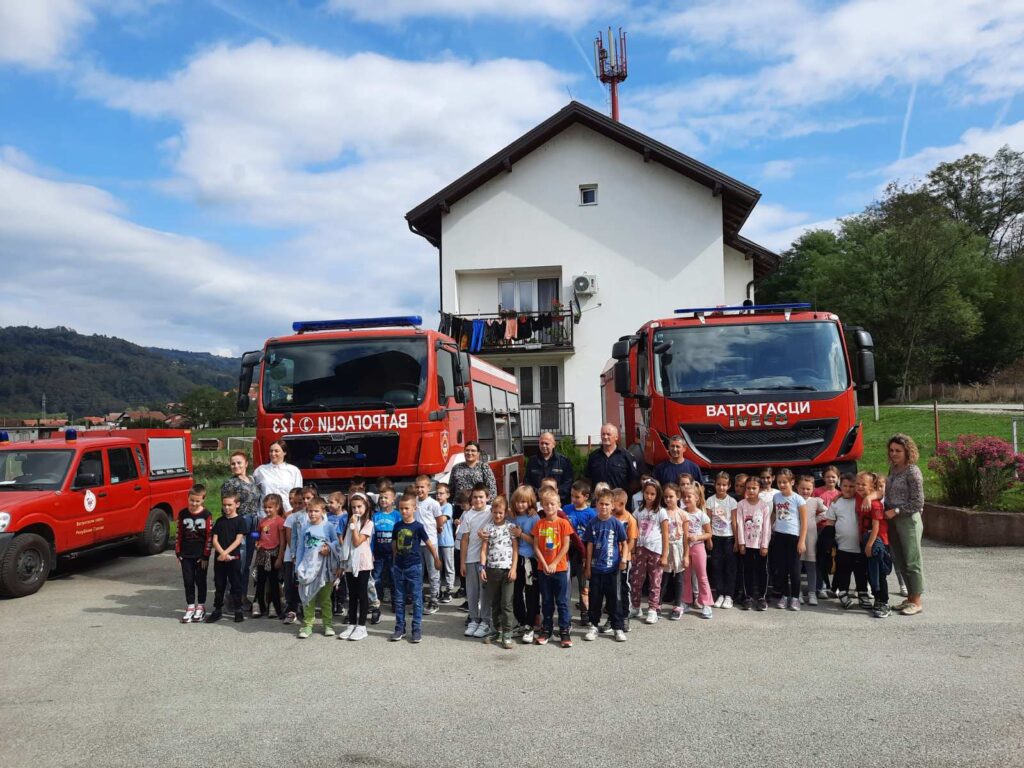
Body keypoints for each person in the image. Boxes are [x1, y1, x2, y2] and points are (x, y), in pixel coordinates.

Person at [391, 493, 440, 643]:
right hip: (399, 567)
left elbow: (429, 543)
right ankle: (399, 628)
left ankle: (416, 629)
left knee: (417, 599)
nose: (404, 511)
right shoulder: (397, 525)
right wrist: (394, 562)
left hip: (414, 567)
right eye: (401, 509)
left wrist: (437, 559)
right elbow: (394, 544)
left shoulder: (418, 527)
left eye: (407, 508)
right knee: (399, 600)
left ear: (414, 508)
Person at [885, 433, 925, 616]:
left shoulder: (913, 471)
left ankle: (916, 601)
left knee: (912, 561)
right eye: (892, 450)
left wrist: (897, 511)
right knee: (900, 560)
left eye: (898, 451)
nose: (894, 454)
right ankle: (909, 598)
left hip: (908, 520)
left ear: (907, 451)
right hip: (892, 520)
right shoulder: (893, 469)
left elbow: (918, 502)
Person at [582, 489, 628, 642]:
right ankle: (593, 625)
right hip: (596, 570)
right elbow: (589, 545)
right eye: (601, 504)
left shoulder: (616, 523)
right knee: (595, 598)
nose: (604, 507)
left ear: (613, 506)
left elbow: (624, 543)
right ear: (596, 504)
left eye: (607, 504)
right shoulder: (592, 523)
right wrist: (588, 566)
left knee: (615, 599)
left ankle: (618, 627)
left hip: (612, 569)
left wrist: (624, 559)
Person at [533, 487, 575, 647]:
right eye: (546, 504)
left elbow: (565, 546)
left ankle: (564, 631)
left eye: (552, 504)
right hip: (543, 569)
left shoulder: (563, 523)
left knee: (562, 601)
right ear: (542, 506)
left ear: (558, 505)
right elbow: (536, 547)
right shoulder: (539, 524)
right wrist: (544, 564)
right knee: (547, 601)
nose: (549, 507)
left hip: (560, 569)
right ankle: (547, 629)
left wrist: (554, 563)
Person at [296, 498, 341, 639]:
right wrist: (298, 567)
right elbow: (300, 548)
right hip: (308, 567)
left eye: (316, 511)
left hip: (325, 569)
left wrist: (329, 547)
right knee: (308, 597)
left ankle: (328, 625)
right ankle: (308, 625)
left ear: (323, 511)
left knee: (325, 599)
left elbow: (336, 543)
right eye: (310, 511)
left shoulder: (328, 527)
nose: (313, 514)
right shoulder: (305, 528)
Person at [221, 451, 261, 610]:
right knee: (239, 561)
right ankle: (234, 597)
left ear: (246, 463)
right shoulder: (229, 484)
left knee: (248, 561)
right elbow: (226, 508)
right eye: (233, 463)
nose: (236, 466)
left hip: (254, 523)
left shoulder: (252, 480)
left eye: (239, 463)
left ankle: (243, 595)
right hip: (240, 523)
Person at [479, 496, 519, 649]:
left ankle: (507, 633)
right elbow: (484, 550)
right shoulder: (488, 529)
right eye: (495, 512)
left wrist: (514, 568)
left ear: (506, 512)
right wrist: (482, 568)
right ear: (492, 512)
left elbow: (515, 550)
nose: (498, 515)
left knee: (506, 603)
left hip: (507, 571)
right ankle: (497, 630)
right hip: (491, 570)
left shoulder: (511, 528)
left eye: (501, 513)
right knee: (494, 602)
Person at [825, 474, 869, 609]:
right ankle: (843, 592)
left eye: (852, 486)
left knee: (861, 572)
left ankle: (862, 593)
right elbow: (830, 523)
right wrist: (828, 541)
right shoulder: (836, 502)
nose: (848, 489)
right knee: (843, 571)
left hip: (860, 545)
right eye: (845, 486)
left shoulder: (861, 500)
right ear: (840, 486)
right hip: (842, 546)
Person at [629, 478, 669, 625]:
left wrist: (665, 555)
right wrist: (632, 551)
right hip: (640, 549)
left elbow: (666, 535)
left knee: (655, 581)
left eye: (653, 494)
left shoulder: (662, 512)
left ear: (657, 495)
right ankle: (635, 606)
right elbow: (633, 531)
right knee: (636, 579)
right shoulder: (638, 511)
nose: (649, 496)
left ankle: (653, 609)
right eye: (647, 493)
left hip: (656, 550)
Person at [206, 491, 247, 623]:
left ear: (237, 504)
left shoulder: (240, 521)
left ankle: (238, 610)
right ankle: (217, 609)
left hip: (233, 558)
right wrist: (221, 553)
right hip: (220, 560)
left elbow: (238, 540)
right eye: (224, 505)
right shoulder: (220, 521)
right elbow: (215, 540)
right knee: (219, 584)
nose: (227, 508)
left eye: (230, 505)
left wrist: (225, 553)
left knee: (236, 584)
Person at [338, 492, 374, 641]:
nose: (356, 510)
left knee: (361, 594)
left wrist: (353, 527)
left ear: (366, 506)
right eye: (353, 507)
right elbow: (345, 543)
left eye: (359, 507)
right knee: (352, 595)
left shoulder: (368, 523)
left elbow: (358, 541)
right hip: (350, 563)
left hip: (363, 563)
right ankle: (352, 624)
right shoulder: (350, 521)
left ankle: (361, 626)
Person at [771, 469, 808, 611]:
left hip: (794, 537)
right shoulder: (776, 497)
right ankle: (785, 595)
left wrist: (802, 541)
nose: (782, 485)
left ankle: (795, 598)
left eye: (785, 482)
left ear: (792, 482)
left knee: (794, 570)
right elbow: (774, 514)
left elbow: (804, 522)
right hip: (779, 536)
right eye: (779, 482)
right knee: (782, 569)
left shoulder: (798, 499)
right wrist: (769, 528)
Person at [459, 484, 493, 639]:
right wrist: (462, 562)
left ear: (487, 497)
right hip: (471, 559)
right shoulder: (467, 515)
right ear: (471, 499)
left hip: (486, 560)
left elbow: (507, 511)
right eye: (475, 497)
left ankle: (485, 622)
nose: (478, 500)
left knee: (485, 592)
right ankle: (474, 619)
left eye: (481, 497)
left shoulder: (492, 511)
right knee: (472, 592)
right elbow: (464, 540)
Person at [857, 472, 892, 619]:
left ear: (872, 486)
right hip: (866, 541)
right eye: (858, 484)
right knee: (871, 573)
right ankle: (877, 599)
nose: (859, 487)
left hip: (878, 542)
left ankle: (883, 602)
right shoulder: (860, 498)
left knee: (880, 574)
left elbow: (876, 527)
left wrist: (870, 545)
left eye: (863, 484)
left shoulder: (875, 504)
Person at [175, 484, 212, 623]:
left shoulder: (207, 515)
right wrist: (178, 552)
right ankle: (190, 606)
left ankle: (201, 606)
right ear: (188, 498)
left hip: (200, 555)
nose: (194, 503)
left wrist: (205, 555)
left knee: (200, 580)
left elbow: (209, 536)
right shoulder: (183, 514)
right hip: (186, 554)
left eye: (197, 501)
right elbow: (179, 533)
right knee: (188, 580)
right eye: (192, 500)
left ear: (203, 499)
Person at [509, 485, 540, 643]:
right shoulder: (512, 516)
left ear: (530, 502)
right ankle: (521, 622)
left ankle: (530, 624)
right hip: (515, 560)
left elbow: (536, 541)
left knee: (531, 593)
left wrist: (521, 534)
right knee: (515, 592)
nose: (520, 505)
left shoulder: (534, 518)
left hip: (530, 560)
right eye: (517, 502)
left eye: (523, 502)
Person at [736, 477, 771, 611]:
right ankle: (748, 597)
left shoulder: (764, 506)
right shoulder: (741, 505)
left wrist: (765, 545)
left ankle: (762, 597)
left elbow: (766, 527)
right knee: (747, 571)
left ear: (760, 489)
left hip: (760, 545)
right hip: (746, 545)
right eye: (748, 488)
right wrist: (741, 543)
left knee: (762, 571)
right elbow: (739, 524)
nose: (751, 490)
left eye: (754, 488)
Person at [563, 480, 595, 626]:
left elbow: (591, 538)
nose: (574, 500)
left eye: (577, 497)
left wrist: (587, 557)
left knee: (583, 586)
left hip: (582, 551)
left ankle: (585, 612)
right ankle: (566, 613)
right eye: (572, 496)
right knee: (566, 584)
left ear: (586, 497)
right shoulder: (566, 509)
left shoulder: (591, 514)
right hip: (567, 550)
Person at [585, 424, 638, 506]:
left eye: (608, 434)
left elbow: (634, 480)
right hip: (599, 504)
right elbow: (588, 479)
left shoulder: (626, 456)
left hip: (619, 504)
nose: (605, 437)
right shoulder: (593, 457)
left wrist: (623, 495)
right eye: (603, 434)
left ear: (616, 437)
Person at [706, 471, 738, 609]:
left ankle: (729, 596)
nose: (721, 487)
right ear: (715, 484)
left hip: (729, 538)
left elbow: (734, 522)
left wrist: (737, 540)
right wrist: (709, 538)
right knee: (717, 567)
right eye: (719, 484)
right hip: (715, 538)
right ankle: (720, 594)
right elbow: (708, 521)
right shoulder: (710, 501)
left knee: (729, 568)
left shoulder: (732, 501)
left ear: (729, 485)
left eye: (724, 485)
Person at [413, 475, 444, 614]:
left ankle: (434, 600)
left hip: (430, 542)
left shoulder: (433, 503)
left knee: (433, 572)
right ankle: (419, 602)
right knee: (417, 573)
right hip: (416, 543)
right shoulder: (414, 502)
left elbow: (439, 521)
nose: (419, 490)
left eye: (422, 487)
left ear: (428, 488)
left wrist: (437, 531)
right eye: (417, 487)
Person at [795, 476, 827, 607]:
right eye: (802, 488)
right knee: (797, 565)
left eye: (808, 488)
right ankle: (798, 593)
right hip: (796, 535)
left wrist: (816, 520)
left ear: (813, 489)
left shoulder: (816, 501)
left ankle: (812, 593)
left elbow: (827, 511)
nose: (805, 491)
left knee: (811, 565)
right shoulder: (794, 500)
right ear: (797, 488)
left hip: (811, 536)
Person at [609, 489, 638, 633]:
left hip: (623, 560)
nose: (610, 507)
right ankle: (611, 618)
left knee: (623, 588)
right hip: (609, 558)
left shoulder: (630, 519)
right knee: (611, 590)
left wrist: (624, 556)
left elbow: (631, 542)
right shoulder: (610, 517)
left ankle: (625, 616)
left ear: (621, 503)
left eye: (612, 504)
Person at [681, 486, 713, 618]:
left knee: (702, 576)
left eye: (690, 496)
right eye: (685, 497)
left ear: (697, 498)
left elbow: (709, 533)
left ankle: (706, 604)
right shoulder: (681, 513)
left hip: (698, 547)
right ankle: (686, 601)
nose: (687, 499)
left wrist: (698, 537)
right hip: (684, 547)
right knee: (685, 577)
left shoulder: (702, 515)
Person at [253, 493, 285, 619]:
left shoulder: (280, 522)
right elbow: (260, 536)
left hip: (273, 555)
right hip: (261, 554)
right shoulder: (262, 521)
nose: (267, 510)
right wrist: (257, 544)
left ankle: (277, 608)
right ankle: (261, 606)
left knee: (273, 583)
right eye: (265, 507)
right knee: (260, 582)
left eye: (270, 507)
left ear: (277, 507)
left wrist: (279, 558)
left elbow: (282, 541)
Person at [370, 487, 399, 623]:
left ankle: (396, 602)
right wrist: (370, 552)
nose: (383, 500)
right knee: (376, 578)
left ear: (393, 499)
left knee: (394, 577)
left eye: (386, 497)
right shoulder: (375, 516)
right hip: (378, 553)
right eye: (381, 497)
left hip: (393, 552)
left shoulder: (397, 515)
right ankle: (376, 602)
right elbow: (371, 536)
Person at [280, 488, 308, 625]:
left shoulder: (312, 516)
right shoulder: (291, 517)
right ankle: (291, 609)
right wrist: (295, 555)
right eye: (294, 503)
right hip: (291, 557)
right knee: (290, 583)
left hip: (307, 556)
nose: (296, 506)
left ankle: (305, 608)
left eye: (300, 503)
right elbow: (290, 538)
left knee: (303, 583)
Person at [660, 483, 688, 620]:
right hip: (666, 548)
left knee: (679, 578)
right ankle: (657, 604)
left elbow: (686, 537)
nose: (668, 499)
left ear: (678, 497)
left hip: (679, 548)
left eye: (671, 496)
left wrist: (686, 555)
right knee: (663, 578)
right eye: (665, 497)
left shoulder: (683, 514)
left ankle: (677, 605)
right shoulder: (662, 512)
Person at [525, 431, 574, 504]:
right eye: (541, 443)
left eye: (546, 443)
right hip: (537, 502)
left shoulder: (564, 462)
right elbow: (527, 482)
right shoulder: (532, 461)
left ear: (553, 444)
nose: (544, 446)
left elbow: (568, 483)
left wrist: (552, 495)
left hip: (558, 503)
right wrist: (538, 493)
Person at [253, 440, 303, 512]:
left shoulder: (294, 471)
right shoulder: (260, 470)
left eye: (276, 451)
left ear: (284, 452)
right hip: (267, 513)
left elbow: (298, 494)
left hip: (287, 512)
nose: (273, 454)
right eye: (271, 451)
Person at [435, 482, 456, 603]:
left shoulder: (448, 506)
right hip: (436, 542)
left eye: (441, 493)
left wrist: (434, 521)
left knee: (449, 567)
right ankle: (438, 589)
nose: (438, 496)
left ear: (447, 495)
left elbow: (442, 520)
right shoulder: (435, 506)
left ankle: (449, 590)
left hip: (447, 542)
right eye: (437, 493)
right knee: (437, 567)